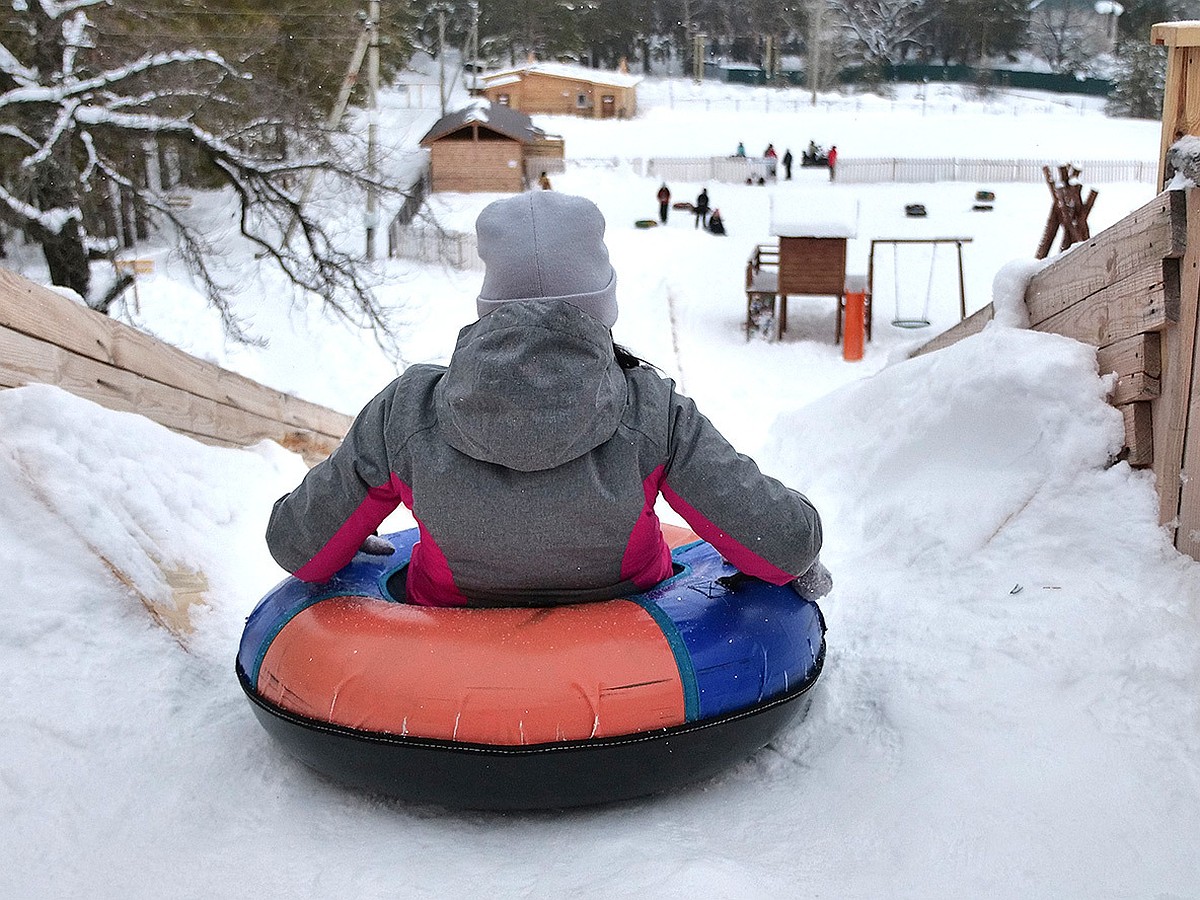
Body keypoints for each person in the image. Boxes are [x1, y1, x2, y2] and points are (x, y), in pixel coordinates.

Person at [265, 191, 828, 608]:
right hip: (628, 658)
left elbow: (297, 544)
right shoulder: (652, 410)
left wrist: (340, 534)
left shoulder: (407, 411)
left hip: (447, 651)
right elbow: (783, 538)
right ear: (602, 304)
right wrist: (795, 555)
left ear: (491, 302)